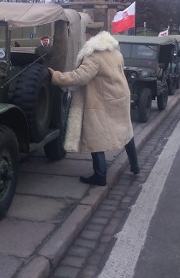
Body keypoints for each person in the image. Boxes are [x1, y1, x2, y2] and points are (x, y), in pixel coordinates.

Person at [48, 22, 139, 186]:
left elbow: (79, 77)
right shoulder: (114, 51)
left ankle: (100, 175)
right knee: (125, 131)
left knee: (96, 137)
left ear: (89, 35)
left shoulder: (94, 57)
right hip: (119, 97)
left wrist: (56, 76)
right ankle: (135, 165)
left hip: (101, 101)